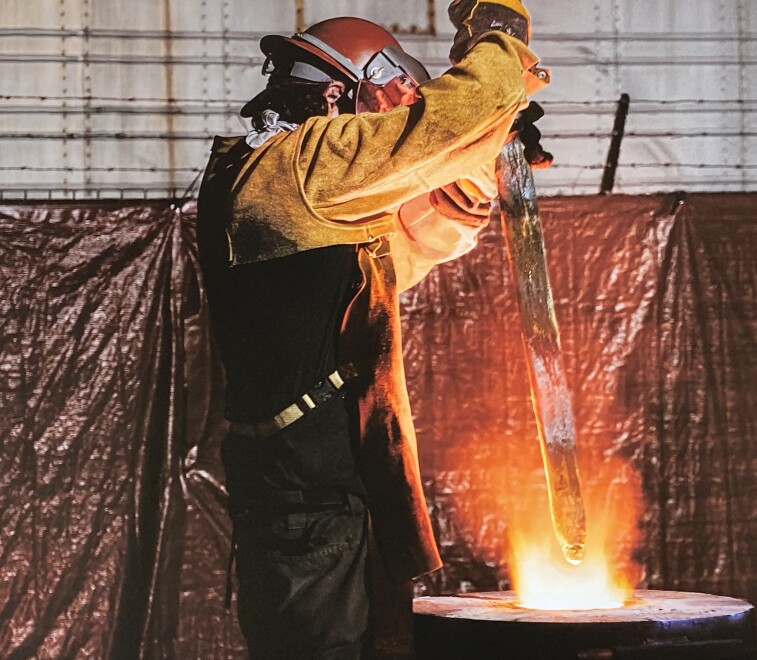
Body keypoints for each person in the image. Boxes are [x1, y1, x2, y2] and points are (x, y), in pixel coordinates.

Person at [196, 1, 549, 657]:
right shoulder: (299, 165)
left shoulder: (288, 181)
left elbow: (400, 253)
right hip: (310, 500)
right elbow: (441, 124)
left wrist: (475, 164)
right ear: (343, 95)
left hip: (332, 489)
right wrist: (499, 39)